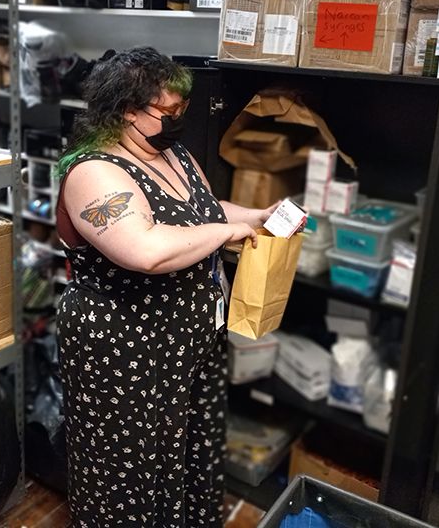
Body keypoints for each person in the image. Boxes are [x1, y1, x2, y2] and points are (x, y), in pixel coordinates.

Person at [55, 47, 277, 528]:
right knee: (127, 469)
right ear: (126, 111)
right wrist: (226, 233)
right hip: (125, 351)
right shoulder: (94, 173)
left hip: (185, 346)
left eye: (182, 109)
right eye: (168, 111)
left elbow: (204, 210)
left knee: (186, 457)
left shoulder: (172, 155)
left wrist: (256, 216)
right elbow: (145, 249)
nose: (179, 120)